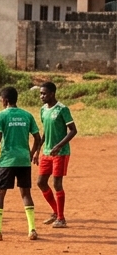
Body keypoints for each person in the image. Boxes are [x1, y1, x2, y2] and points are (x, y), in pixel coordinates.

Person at [0, 86, 42, 241]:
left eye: (1, 99)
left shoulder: (1, 116)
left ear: (5, 100)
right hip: (23, 160)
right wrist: (31, 153)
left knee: (0, 194)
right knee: (26, 193)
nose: (0, 101)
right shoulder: (27, 115)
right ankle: (32, 229)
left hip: (7, 160)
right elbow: (38, 139)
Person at [37, 81, 77, 229]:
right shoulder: (42, 110)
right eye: (40, 93)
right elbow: (45, 132)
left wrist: (59, 145)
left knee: (57, 183)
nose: (41, 96)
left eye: (44, 93)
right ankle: (55, 212)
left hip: (61, 152)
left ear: (52, 94)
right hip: (47, 152)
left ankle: (61, 218)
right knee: (41, 182)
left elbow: (73, 130)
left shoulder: (62, 109)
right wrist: (37, 150)